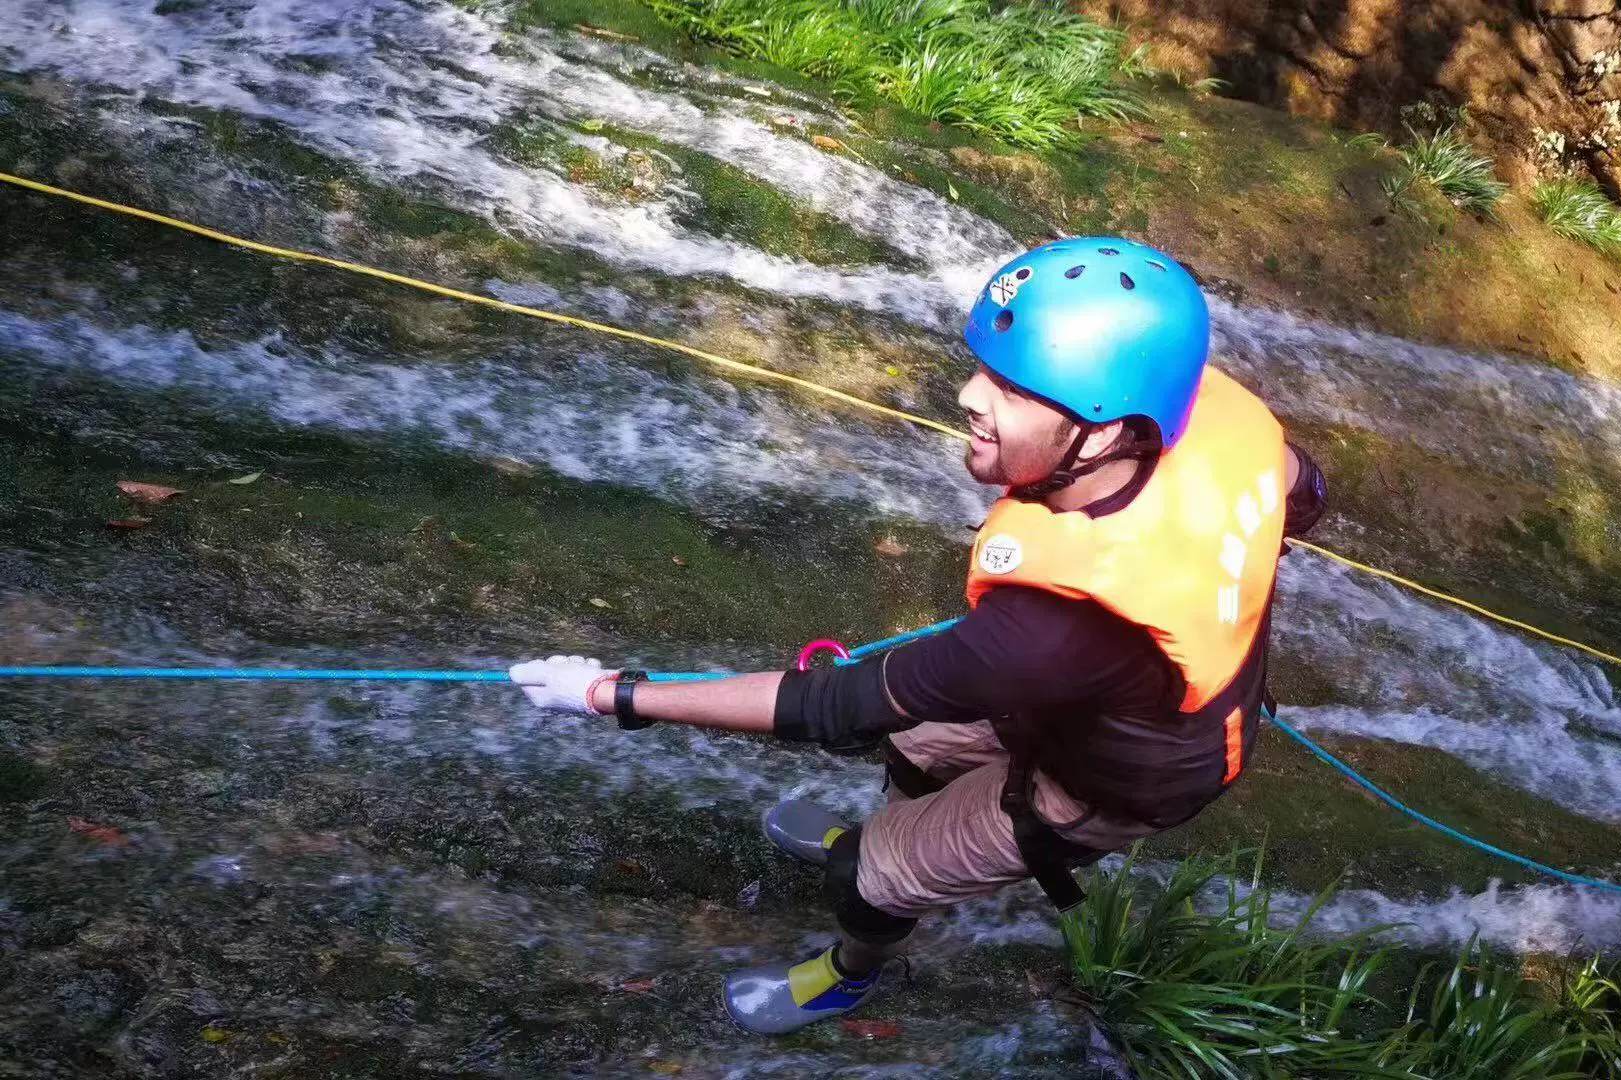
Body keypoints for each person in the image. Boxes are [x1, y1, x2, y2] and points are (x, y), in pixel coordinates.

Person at [509, 237, 1328, 1035]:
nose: (970, 397)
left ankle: (850, 972)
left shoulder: (1050, 630)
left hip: (1112, 773)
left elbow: (836, 704)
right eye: (985, 371)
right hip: (1104, 694)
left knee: (865, 878)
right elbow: (1301, 487)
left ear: (1105, 434)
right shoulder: (1212, 419)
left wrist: (613, 695)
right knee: (913, 746)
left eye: (1011, 388)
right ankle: (893, 825)